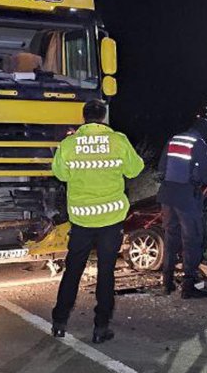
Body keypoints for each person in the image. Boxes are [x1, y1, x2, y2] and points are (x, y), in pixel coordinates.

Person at [50, 99, 145, 344]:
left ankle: (59, 322)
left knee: (73, 270)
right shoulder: (118, 140)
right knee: (106, 273)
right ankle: (100, 327)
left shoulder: (69, 144)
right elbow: (135, 169)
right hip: (110, 220)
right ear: (103, 117)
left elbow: (60, 174)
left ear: (84, 117)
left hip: (82, 220)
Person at [157, 117, 207, 299]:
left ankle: (167, 283)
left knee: (170, 238)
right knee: (192, 240)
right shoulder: (199, 144)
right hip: (187, 198)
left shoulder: (173, 139)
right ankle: (188, 287)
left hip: (167, 195)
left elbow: (161, 168)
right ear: (205, 131)